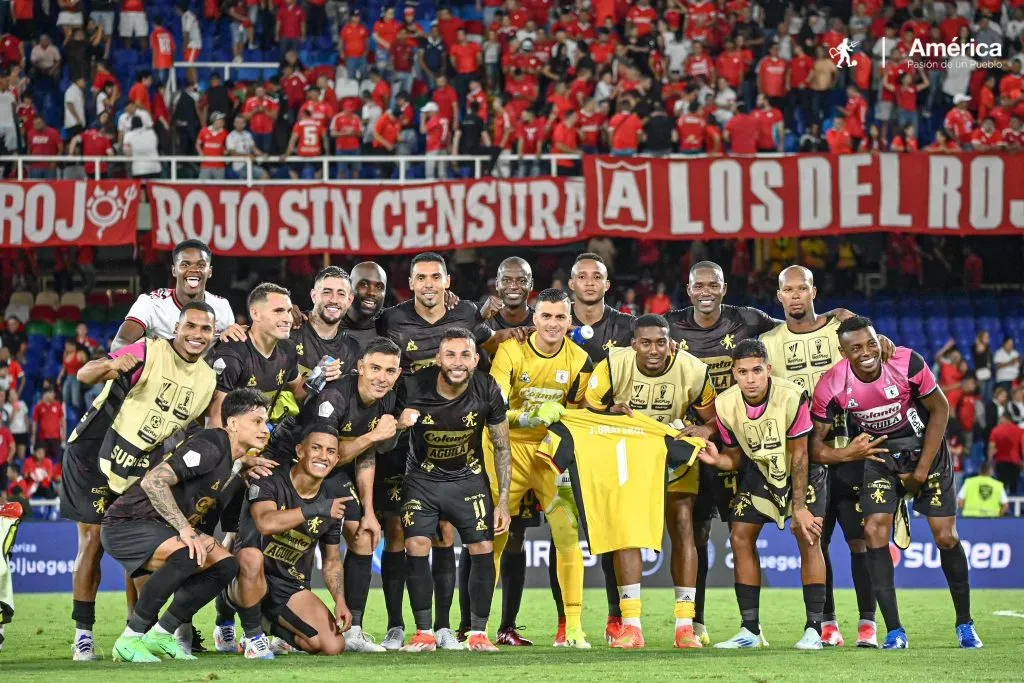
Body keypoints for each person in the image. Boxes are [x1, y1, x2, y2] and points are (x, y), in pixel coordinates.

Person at [811, 316, 981, 649]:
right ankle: (894, 630)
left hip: (926, 451)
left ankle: (965, 624)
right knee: (873, 531)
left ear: (880, 340)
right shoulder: (830, 385)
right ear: (842, 351)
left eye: (871, 343)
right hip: (880, 456)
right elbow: (814, 446)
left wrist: (920, 473)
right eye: (856, 347)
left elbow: (941, 410)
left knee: (946, 537)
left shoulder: (906, 361)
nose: (866, 352)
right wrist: (847, 455)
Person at [61, 302, 219, 660]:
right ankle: (83, 634)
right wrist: (112, 364)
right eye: (190, 326)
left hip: (141, 466)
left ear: (214, 335)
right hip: (94, 453)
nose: (197, 335)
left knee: (144, 549)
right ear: (176, 329)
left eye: (205, 329)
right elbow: (84, 374)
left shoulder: (208, 379)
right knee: (94, 541)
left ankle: (137, 629)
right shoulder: (148, 350)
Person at [205, 282, 341, 651]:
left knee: (239, 537)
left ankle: (242, 620)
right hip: (214, 461)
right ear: (256, 315)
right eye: (279, 311)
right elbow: (214, 419)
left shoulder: (283, 355)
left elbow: (298, 389)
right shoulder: (233, 354)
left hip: (254, 457)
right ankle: (189, 626)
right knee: (209, 540)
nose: (288, 317)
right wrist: (241, 460)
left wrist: (320, 378)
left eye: (288, 310)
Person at [374, 252, 496, 651]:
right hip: (405, 441)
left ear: (448, 281)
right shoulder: (391, 319)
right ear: (410, 283)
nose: (428, 284)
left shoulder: (469, 316)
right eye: (421, 277)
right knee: (400, 534)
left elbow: (490, 347)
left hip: (452, 443)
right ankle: (396, 625)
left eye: (435, 277)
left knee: (444, 534)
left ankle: (442, 626)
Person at [265, 337, 413, 652]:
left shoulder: (386, 399)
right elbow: (326, 454)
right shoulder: (333, 396)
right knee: (281, 541)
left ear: (398, 374)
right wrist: (375, 434)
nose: (381, 377)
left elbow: (366, 456)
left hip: (333, 474)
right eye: (374, 368)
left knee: (362, 534)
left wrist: (370, 511)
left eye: (389, 371)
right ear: (359, 367)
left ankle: (354, 629)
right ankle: (264, 626)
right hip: (292, 468)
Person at [101, 389, 270, 663]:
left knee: (225, 565)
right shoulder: (210, 444)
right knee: (189, 552)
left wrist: (240, 467)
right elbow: (153, 481)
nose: (265, 429)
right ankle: (130, 638)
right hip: (127, 524)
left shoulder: (232, 463)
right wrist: (186, 530)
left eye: (266, 422)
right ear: (233, 423)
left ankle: (162, 633)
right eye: (257, 421)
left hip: (159, 527)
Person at [759, 266, 878, 648]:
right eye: (788, 290)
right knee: (817, 542)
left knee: (860, 542)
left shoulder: (838, 332)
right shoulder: (768, 341)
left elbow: (874, 351)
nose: (795, 296)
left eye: (802, 288)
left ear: (814, 291)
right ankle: (827, 623)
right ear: (779, 297)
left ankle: (867, 622)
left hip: (854, 446)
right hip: (806, 456)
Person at [664, 260, 780, 645]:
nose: (706, 291)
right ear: (689, 289)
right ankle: (694, 623)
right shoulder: (670, 326)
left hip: (736, 447)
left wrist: (837, 316)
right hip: (692, 448)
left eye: (713, 284)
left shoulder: (747, 319)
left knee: (740, 535)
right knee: (693, 535)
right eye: (699, 285)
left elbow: (796, 330)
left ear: (724, 288)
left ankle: (752, 627)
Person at [584, 314, 717, 648]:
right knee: (627, 532)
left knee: (684, 523)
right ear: (633, 345)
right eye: (646, 342)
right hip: (628, 455)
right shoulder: (613, 365)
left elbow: (714, 416)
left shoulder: (693, 370)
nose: (654, 350)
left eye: (661, 342)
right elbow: (586, 410)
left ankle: (685, 626)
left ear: (671, 342)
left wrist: (706, 429)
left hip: (673, 452)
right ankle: (632, 626)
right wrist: (608, 413)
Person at [699, 339, 827, 650]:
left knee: (807, 534)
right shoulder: (725, 404)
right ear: (734, 374)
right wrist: (718, 461)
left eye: (757, 370)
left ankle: (814, 630)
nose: (751, 379)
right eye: (742, 372)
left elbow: (799, 456)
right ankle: (750, 631)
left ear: (768, 369)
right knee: (740, 535)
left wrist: (799, 508)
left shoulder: (792, 396)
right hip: (760, 472)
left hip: (803, 472)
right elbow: (735, 456)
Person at [484, 288, 593, 648]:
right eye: (546, 316)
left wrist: (568, 418)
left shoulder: (578, 359)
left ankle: (574, 627)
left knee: (567, 535)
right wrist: (531, 416)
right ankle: (478, 629)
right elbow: (493, 410)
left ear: (570, 322)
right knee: (497, 537)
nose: (553, 323)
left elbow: (579, 413)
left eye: (560, 317)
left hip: (549, 455)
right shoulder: (511, 351)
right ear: (534, 319)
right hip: (506, 450)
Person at [398, 328, 511, 652]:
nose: (458, 362)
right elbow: (387, 438)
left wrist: (502, 502)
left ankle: (478, 632)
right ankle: (423, 632)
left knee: (481, 548)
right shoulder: (413, 386)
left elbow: (502, 447)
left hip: (468, 481)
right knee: (418, 544)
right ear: (438, 358)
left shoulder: (487, 388)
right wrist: (401, 424)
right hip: (422, 480)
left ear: (476, 359)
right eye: (451, 354)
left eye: (465, 355)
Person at [228, 424, 353, 658]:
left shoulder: (331, 501)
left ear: (336, 459)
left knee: (332, 646)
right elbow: (266, 523)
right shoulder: (268, 480)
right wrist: (317, 509)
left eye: (330, 451)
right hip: (248, 574)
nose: (322, 456)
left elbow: (332, 561)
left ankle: (268, 626)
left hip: (289, 585)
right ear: (300, 451)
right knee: (251, 557)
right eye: (316, 448)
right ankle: (252, 635)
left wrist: (340, 600)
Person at [566, 252, 635, 640]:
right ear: (571, 284)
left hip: (613, 441)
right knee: (562, 533)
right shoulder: (552, 321)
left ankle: (616, 618)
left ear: (607, 285)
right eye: (582, 276)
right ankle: (564, 625)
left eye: (597, 277)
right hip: (564, 437)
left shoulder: (629, 327)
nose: (590, 282)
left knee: (612, 530)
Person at [113, 239, 236, 350]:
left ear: (209, 272)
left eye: (201, 265)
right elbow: (121, 343)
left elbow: (231, 348)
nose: (193, 269)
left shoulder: (222, 306)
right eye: (185, 264)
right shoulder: (151, 303)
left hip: (203, 373)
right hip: (159, 372)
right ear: (174, 270)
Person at [291, 266, 361, 383]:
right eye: (327, 292)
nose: (334, 300)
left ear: (349, 300)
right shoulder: (290, 326)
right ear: (314, 296)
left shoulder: (352, 349)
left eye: (341, 294)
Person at [339, 262, 387, 349]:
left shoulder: (391, 325)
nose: (372, 292)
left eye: (379, 287)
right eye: (364, 284)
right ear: (349, 287)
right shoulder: (327, 322)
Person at [987, 410, 1023, 495]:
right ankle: (1013, 508)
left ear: (1005, 418)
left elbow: (992, 447)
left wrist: (990, 462)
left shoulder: (996, 430)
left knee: (1001, 488)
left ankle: (1002, 506)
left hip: (1001, 464)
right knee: (1014, 489)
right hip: (1015, 463)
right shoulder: (1019, 430)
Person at [31, 388, 64, 464]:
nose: (53, 395)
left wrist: (63, 435)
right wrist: (33, 436)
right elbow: (35, 422)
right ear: (46, 394)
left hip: (56, 437)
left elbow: (63, 422)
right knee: (43, 459)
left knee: (57, 459)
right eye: (51, 393)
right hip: (43, 438)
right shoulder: (39, 407)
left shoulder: (58, 405)